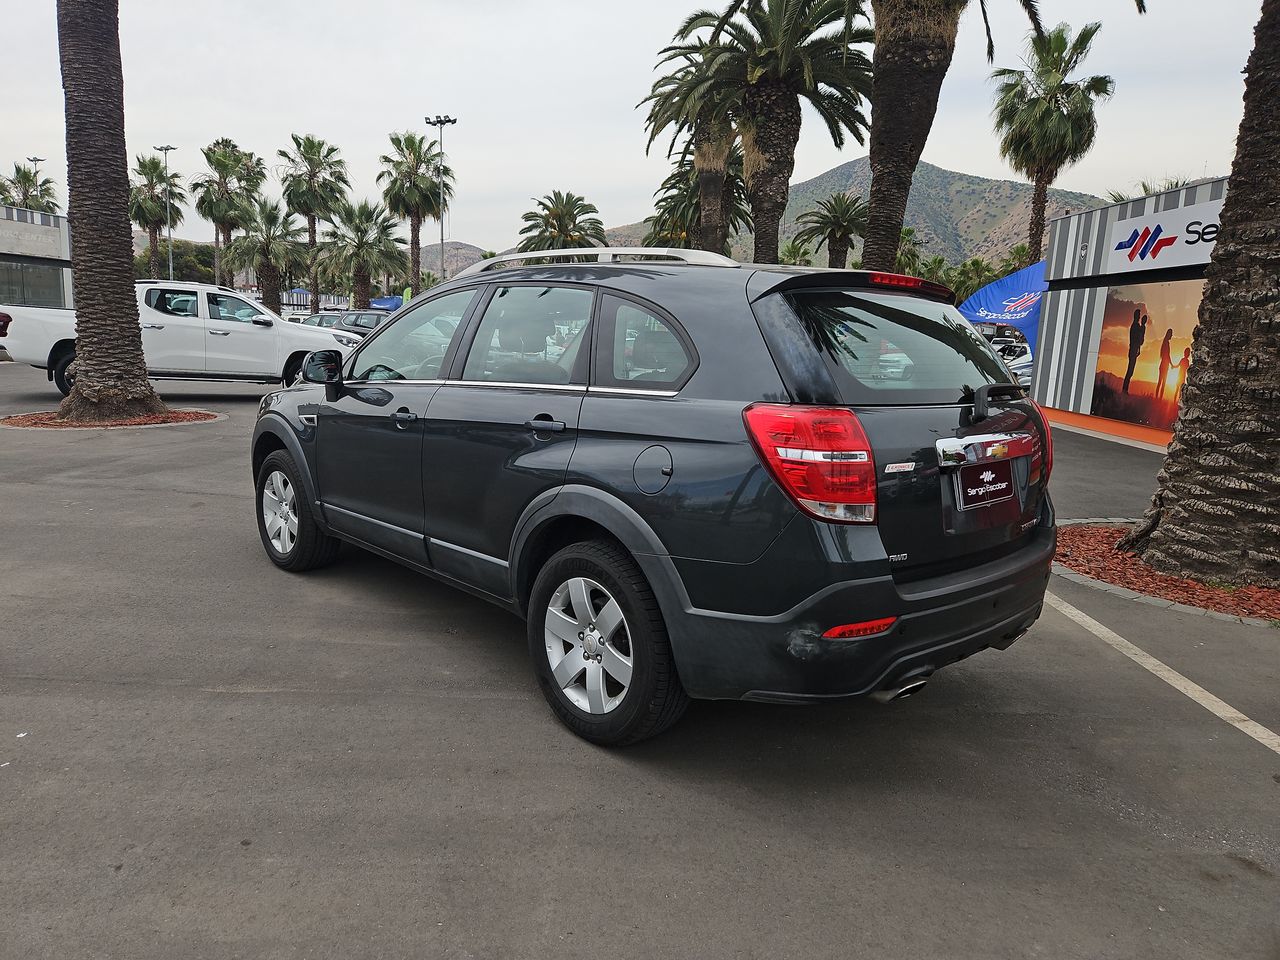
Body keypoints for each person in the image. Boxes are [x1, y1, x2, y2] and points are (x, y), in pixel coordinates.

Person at [1122, 309, 1148, 394]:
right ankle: (1124, 390)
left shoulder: (1135, 326)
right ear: (1136, 316)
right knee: (1130, 370)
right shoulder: (1135, 326)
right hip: (1133, 349)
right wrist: (1143, 328)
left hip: (1133, 350)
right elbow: (1139, 340)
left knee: (1130, 370)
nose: (1139, 317)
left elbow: (1139, 341)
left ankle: (1125, 389)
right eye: (1138, 315)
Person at [1155, 328, 1174, 400]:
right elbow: (1168, 355)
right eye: (1171, 334)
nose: (1172, 335)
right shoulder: (1166, 343)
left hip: (1163, 364)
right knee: (1162, 383)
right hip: (1165, 365)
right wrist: (1172, 364)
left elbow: (1166, 355)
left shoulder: (1164, 342)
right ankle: (1159, 399)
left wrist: (1171, 364)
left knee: (1160, 382)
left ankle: (1157, 398)